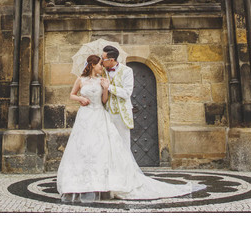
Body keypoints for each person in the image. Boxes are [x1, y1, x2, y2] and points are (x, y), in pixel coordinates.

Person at [56, 53, 204, 202]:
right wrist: (80, 98)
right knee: (82, 148)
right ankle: (80, 180)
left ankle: (102, 181)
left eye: (103, 63)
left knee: (101, 148)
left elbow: (104, 100)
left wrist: (106, 88)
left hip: (99, 115)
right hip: (85, 117)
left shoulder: (103, 80)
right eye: (100, 64)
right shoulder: (80, 80)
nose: (102, 67)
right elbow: (72, 95)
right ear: (93, 65)